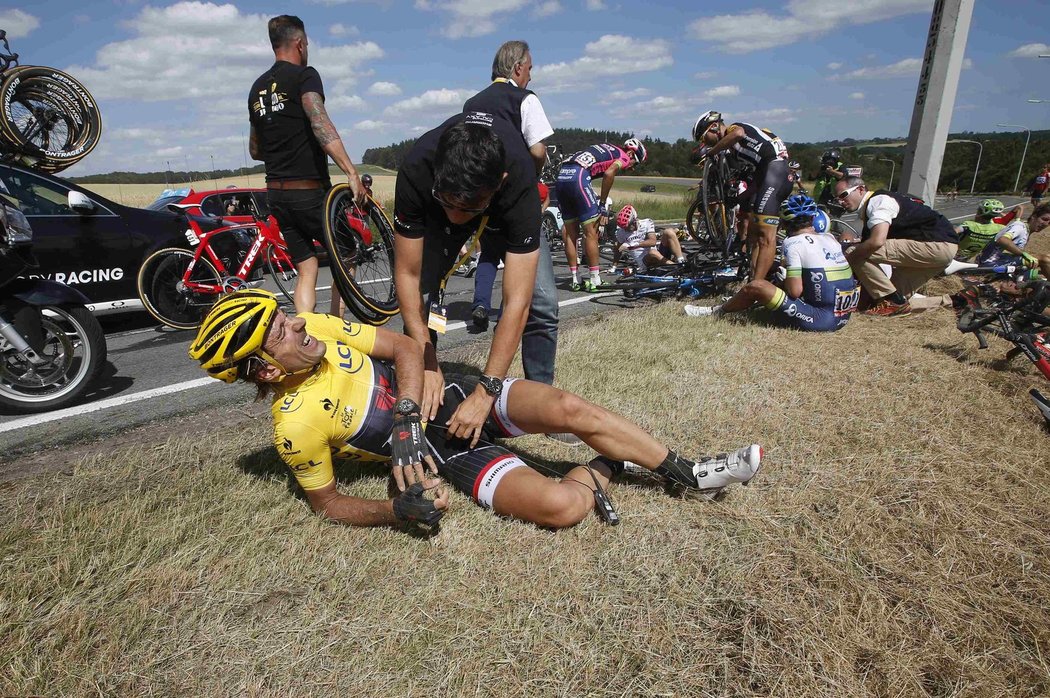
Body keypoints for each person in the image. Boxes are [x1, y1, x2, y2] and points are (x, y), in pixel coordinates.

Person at [187, 290, 764, 529]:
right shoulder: (293, 424)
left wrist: (408, 414)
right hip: (445, 456)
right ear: (265, 370)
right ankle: (606, 467)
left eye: (281, 313)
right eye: (278, 331)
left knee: (567, 405)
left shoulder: (317, 325)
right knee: (560, 507)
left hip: (453, 400)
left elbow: (405, 347)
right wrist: (397, 510)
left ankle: (687, 472)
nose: (295, 323)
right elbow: (328, 504)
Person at [393, 111, 541, 447]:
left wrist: (487, 390)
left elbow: (518, 300)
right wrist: (426, 359)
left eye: (468, 209)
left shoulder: (518, 180)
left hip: (500, 213)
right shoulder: (418, 166)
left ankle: (536, 393)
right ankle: (420, 390)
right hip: (438, 202)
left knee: (541, 298)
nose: (456, 217)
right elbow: (407, 273)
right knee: (427, 288)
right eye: (449, 203)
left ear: (500, 181)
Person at [248, 15, 366, 316]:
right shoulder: (305, 76)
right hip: (309, 192)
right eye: (307, 44)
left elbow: (255, 149)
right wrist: (351, 171)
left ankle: (305, 329)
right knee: (346, 251)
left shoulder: (257, 88)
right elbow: (319, 122)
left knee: (307, 265)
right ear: (300, 44)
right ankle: (337, 330)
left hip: (276, 194)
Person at [461, 40, 560, 395]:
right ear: (518, 68)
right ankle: (538, 392)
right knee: (542, 303)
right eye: (530, 69)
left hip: (485, 211)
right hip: (520, 211)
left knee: (490, 267)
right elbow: (537, 150)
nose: (531, 75)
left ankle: (494, 377)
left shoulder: (472, 104)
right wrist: (526, 173)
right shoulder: (525, 99)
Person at [684, 195, 859, 331]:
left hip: (822, 319)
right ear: (813, 219)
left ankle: (717, 310)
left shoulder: (794, 243)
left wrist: (785, 279)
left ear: (783, 223)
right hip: (843, 315)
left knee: (757, 286)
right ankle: (741, 303)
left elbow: (795, 291)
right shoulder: (829, 238)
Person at [834, 176, 958, 316]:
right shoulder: (876, 204)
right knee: (892, 302)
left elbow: (876, 241)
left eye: (843, 195)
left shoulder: (877, 201)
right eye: (837, 199)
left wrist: (850, 258)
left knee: (855, 252)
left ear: (861, 189)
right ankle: (956, 302)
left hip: (934, 244)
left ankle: (892, 301)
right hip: (942, 248)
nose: (840, 201)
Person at [692, 110, 792, 283]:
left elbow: (738, 134)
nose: (705, 144)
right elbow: (758, 180)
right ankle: (753, 279)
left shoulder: (734, 129)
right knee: (753, 234)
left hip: (776, 171)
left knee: (766, 237)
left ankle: (756, 287)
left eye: (703, 138)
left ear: (714, 127)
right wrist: (739, 198)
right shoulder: (738, 148)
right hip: (769, 174)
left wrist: (712, 152)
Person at [555, 139, 648, 292]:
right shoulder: (623, 155)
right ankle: (594, 279)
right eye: (635, 164)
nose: (631, 168)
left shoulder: (608, 148)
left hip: (563, 176)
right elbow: (609, 173)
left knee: (570, 234)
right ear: (631, 153)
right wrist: (603, 204)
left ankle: (575, 279)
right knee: (591, 232)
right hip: (578, 177)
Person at [471, 182, 549, 332]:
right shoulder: (529, 175)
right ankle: (504, 317)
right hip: (514, 218)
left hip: (485, 214)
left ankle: (480, 305)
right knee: (518, 270)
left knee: (487, 259)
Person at [611, 205, 686, 272]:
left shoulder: (646, 223)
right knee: (652, 252)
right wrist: (613, 267)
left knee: (668, 232)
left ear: (634, 220)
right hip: (645, 262)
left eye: (627, 227)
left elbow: (652, 241)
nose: (626, 229)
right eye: (623, 228)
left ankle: (681, 261)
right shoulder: (621, 232)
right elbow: (618, 250)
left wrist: (632, 244)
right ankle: (678, 268)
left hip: (658, 255)